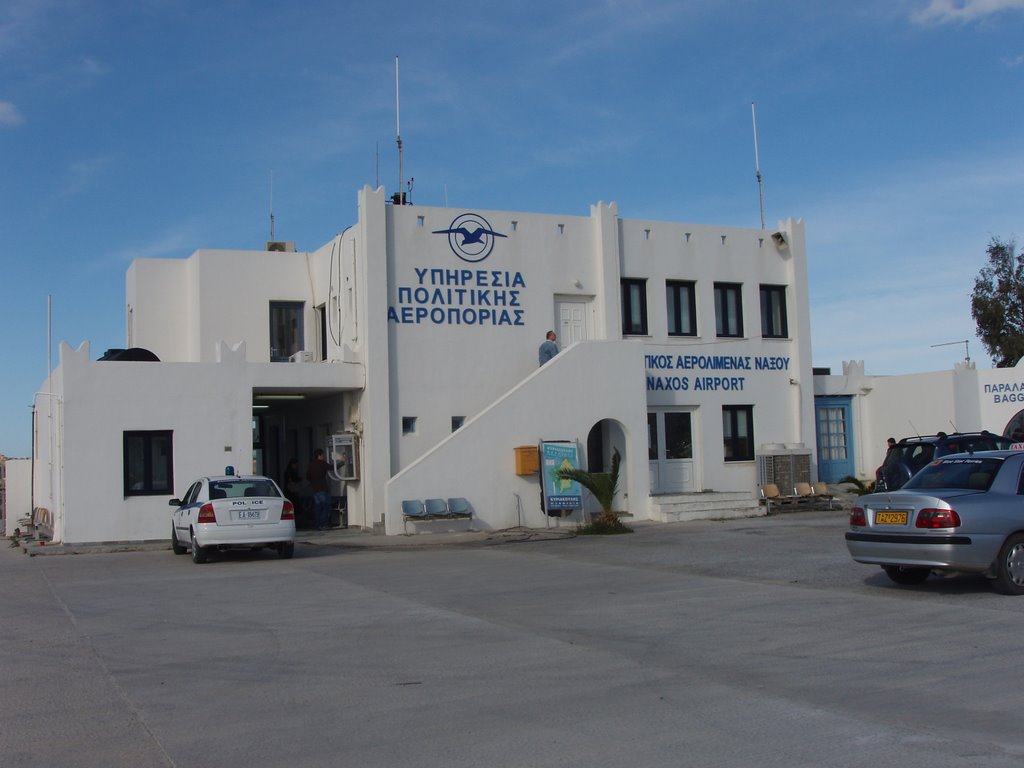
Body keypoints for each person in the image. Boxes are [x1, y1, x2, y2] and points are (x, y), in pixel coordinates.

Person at [306, 449, 331, 530]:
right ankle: (323, 524)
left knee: (317, 508)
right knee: (324, 507)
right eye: (322, 455)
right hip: (322, 488)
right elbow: (332, 467)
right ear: (319, 455)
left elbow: (307, 476)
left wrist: (313, 482)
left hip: (315, 489)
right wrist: (342, 462)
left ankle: (317, 525)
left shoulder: (311, 465)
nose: (323, 457)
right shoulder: (322, 464)